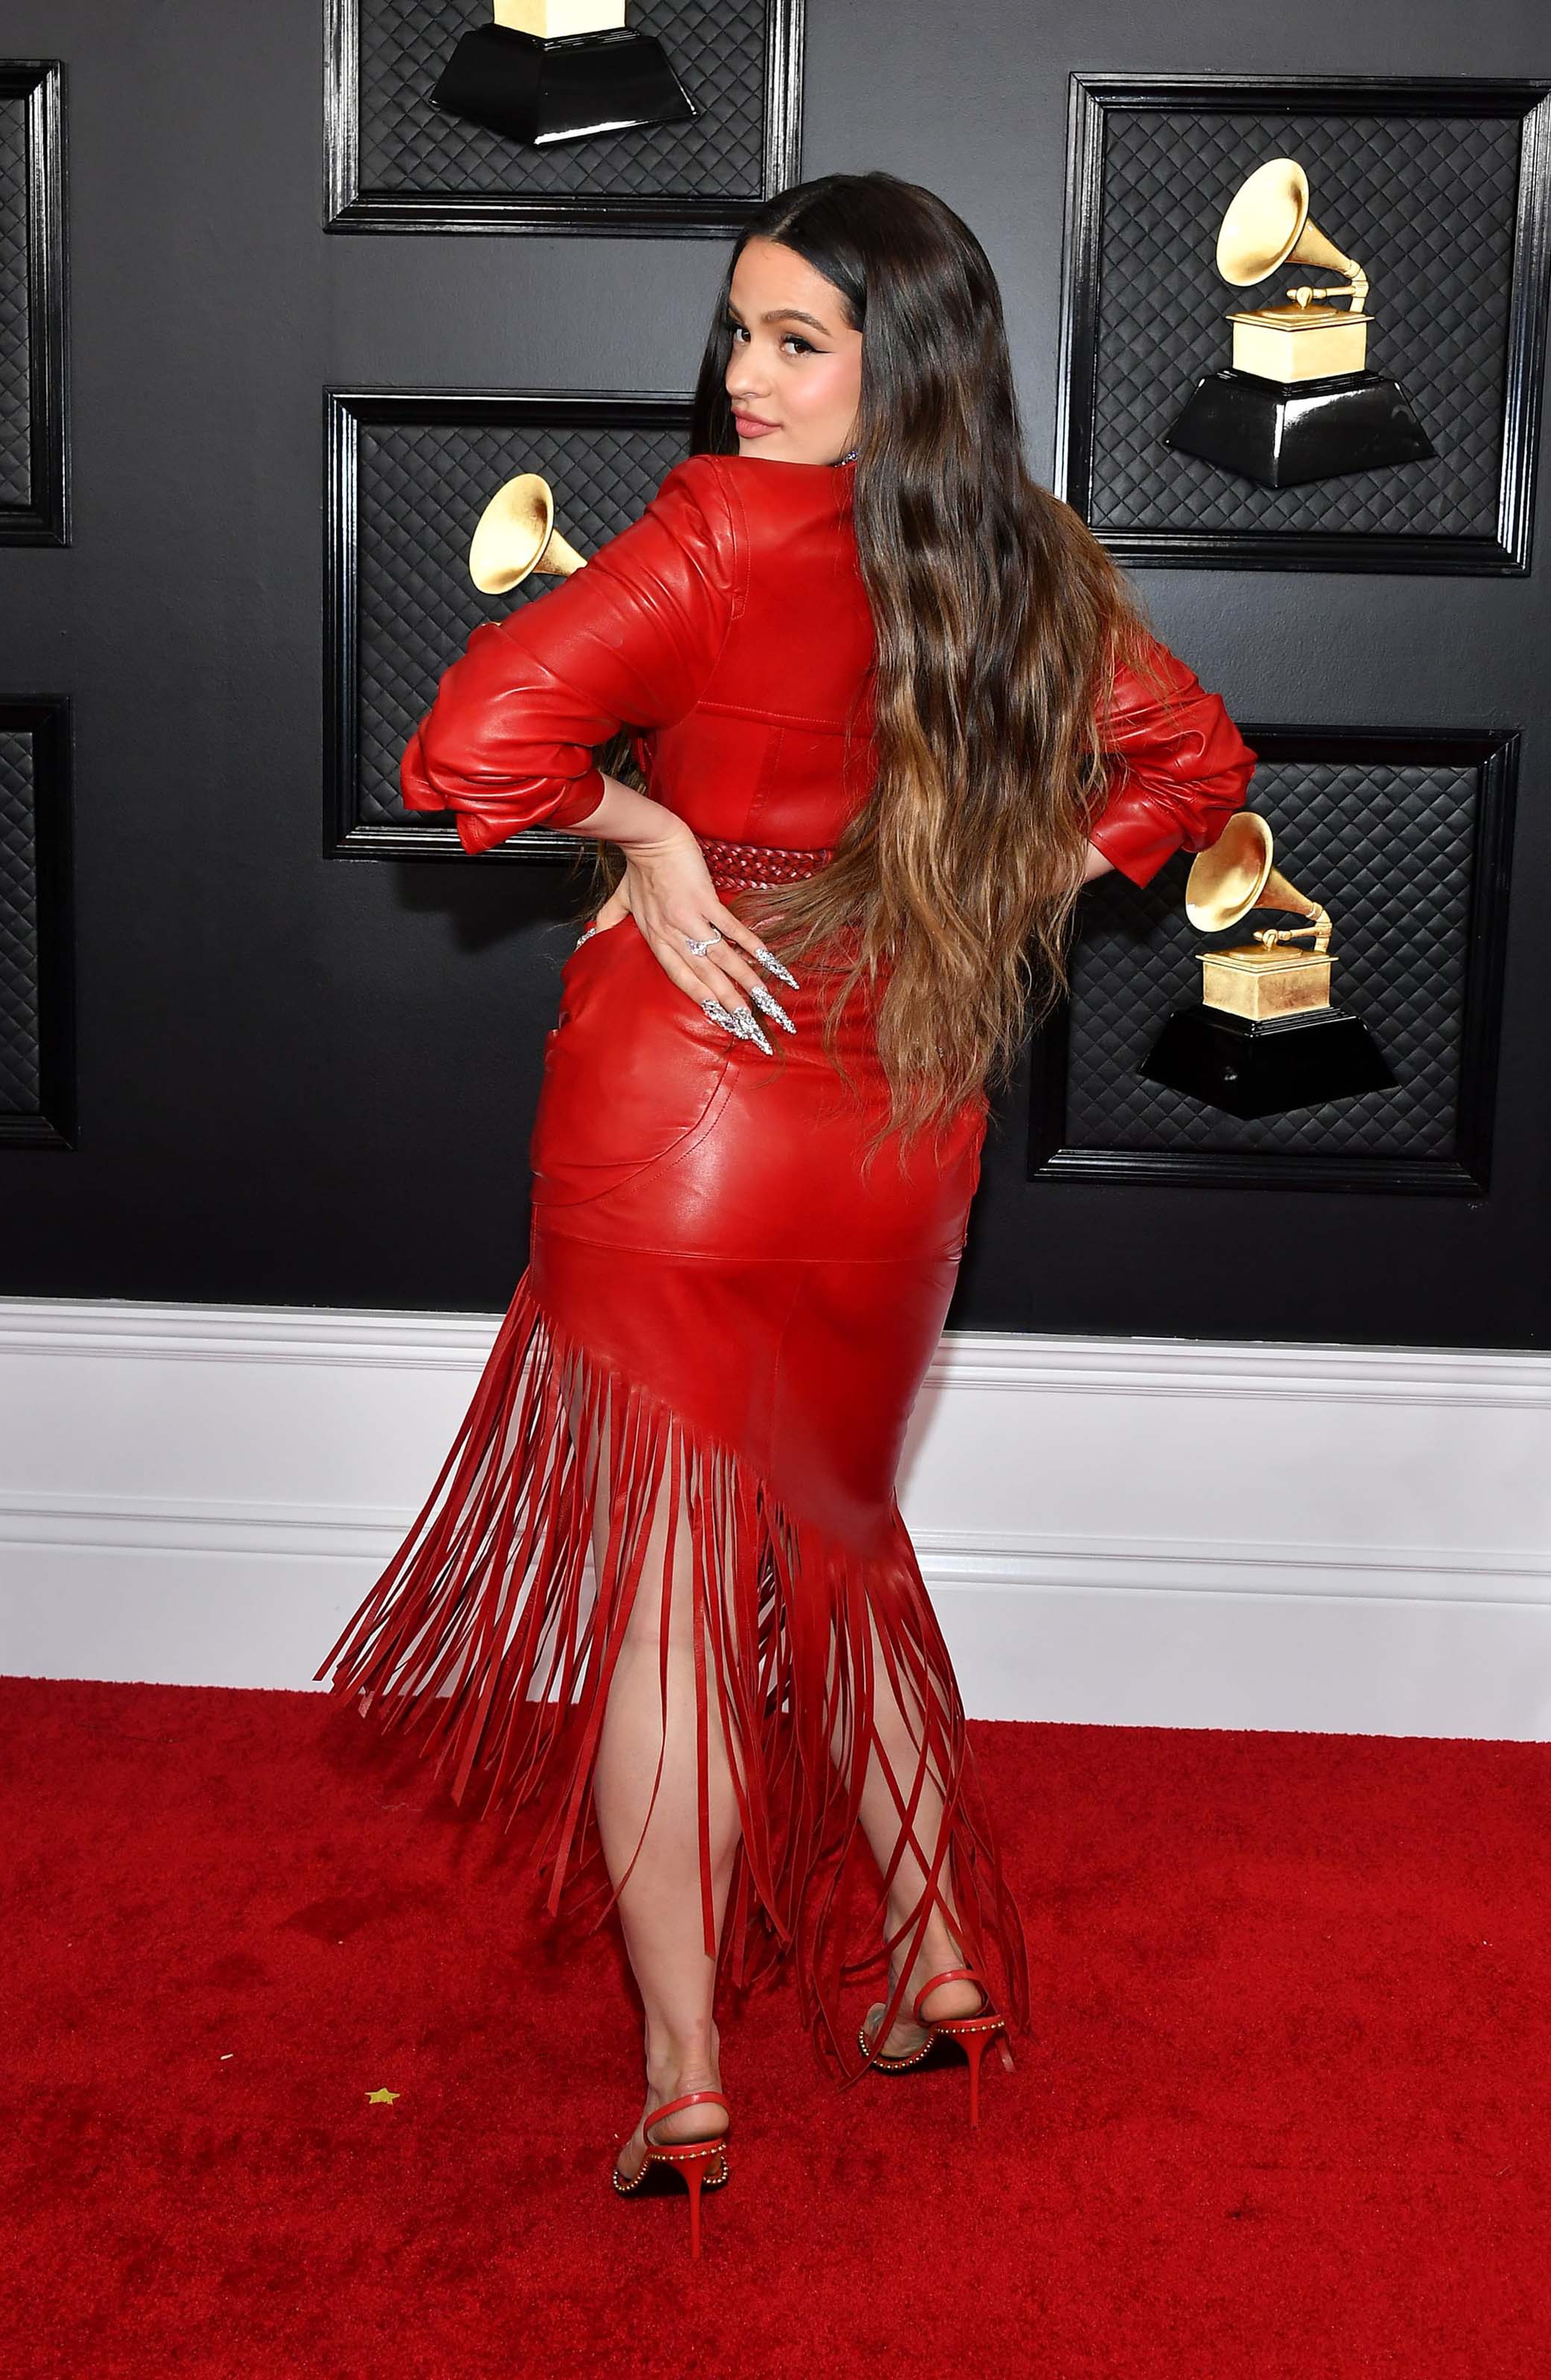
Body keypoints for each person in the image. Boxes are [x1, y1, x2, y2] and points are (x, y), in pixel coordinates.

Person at [315, 170, 1256, 2257]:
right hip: (900, 1126)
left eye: (793, 343)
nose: (738, 377)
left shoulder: (714, 534)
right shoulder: (1022, 560)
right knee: (837, 1537)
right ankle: (933, 1961)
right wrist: (1022, 879)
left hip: (687, 1113)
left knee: (668, 1596)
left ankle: (686, 2082)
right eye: (736, 332)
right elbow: (1192, 766)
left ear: (895, 363)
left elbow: (474, 739)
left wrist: (646, 830)